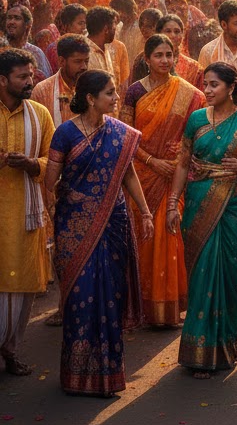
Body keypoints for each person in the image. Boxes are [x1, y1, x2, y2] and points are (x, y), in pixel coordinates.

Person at [45, 69, 152, 396]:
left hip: (113, 222)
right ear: (90, 98)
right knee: (80, 298)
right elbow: (49, 182)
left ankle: (108, 376)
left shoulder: (120, 133)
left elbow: (129, 175)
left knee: (110, 296)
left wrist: (145, 212)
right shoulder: (65, 133)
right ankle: (76, 376)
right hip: (74, 224)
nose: (116, 98)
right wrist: (67, 202)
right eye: (109, 93)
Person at [166, 63, 237, 378]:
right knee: (202, 278)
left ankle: (228, 341)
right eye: (205, 84)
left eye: (214, 85)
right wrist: (172, 203)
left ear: (231, 87)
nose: (207, 90)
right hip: (199, 204)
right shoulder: (197, 119)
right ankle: (200, 352)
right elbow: (183, 163)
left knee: (233, 279)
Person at [119, 34, 204, 327]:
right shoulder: (134, 92)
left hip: (174, 174)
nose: (165, 60)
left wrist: (179, 156)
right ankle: (141, 308)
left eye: (169, 55)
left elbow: (196, 134)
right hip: (141, 175)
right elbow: (126, 137)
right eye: (158, 55)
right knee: (143, 236)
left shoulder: (189, 94)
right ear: (147, 59)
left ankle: (168, 309)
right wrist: (152, 161)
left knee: (170, 234)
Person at [0, 49, 55, 376]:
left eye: (31, 76)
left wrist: (33, 164)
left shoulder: (40, 115)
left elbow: (54, 161)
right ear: (2, 80)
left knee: (22, 289)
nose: (29, 82)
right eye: (22, 77)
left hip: (25, 215)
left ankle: (10, 350)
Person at [198, 0, 237, 113]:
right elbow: (202, 89)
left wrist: (233, 88)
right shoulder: (209, 51)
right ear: (224, 25)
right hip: (220, 117)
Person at [32, 33, 90, 127]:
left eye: (86, 61)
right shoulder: (42, 91)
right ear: (61, 61)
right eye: (78, 61)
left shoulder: (94, 88)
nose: (84, 67)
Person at [85, 5, 129, 90]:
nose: (116, 30)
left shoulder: (107, 48)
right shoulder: (83, 53)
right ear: (106, 29)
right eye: (114, 27)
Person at [3, 4, 51, 79]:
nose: (11, 22)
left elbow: (45, 82)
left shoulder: (36, 53)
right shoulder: (2, 48)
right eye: (9, 18)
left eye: (17, 18)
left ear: (27, 25)